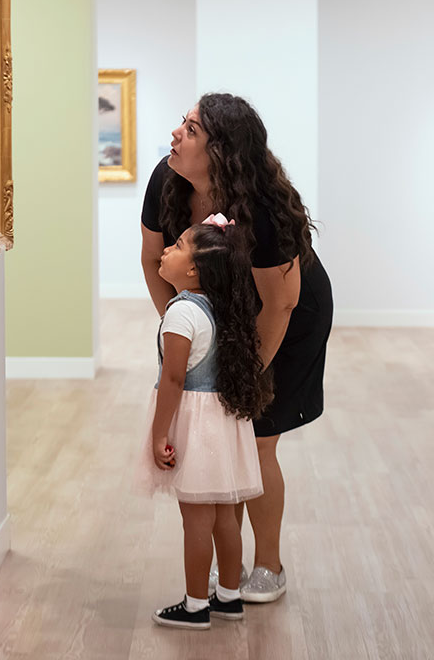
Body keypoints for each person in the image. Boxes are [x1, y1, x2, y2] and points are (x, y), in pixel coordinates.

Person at [141, 93, 333, 603]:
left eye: (193, 128)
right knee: (213, 442)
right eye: (181, 121)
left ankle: (266, 565)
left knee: (254, 434)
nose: (177, 133)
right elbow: (152, 259)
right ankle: (222, 567)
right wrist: (188, 337)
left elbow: (281, 302)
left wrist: (240, 378)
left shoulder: (263, 205)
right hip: (213, 311)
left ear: (222, 151)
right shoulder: (167, 179)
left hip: (286, 316)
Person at [143, 216, 273, 629]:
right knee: (224, 517)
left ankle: (196, 604)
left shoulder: (181, 313)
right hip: (227, 422)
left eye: (177, 245)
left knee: (196, 518)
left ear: (195, 269)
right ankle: (229, 596)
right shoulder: (223, 308)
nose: (165, 250)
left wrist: (159, 430)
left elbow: (174, 378)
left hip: (197, 427)